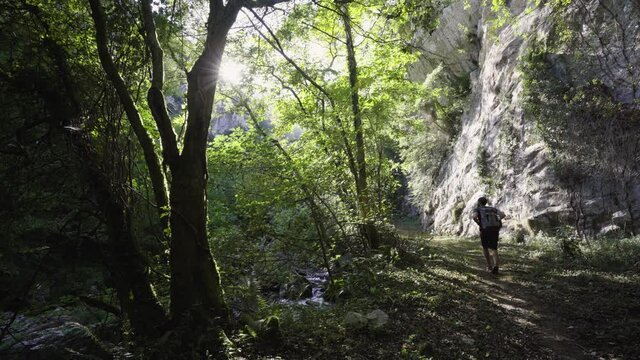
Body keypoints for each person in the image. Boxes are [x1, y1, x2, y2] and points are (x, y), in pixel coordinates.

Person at [471, 197, 506, 274]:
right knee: (494, 248)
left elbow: (474, 217)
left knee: (485, 247)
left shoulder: (478, 209)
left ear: (479, 202)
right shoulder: (493, 209)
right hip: (494, 229)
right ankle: (496, 266)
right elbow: (503, 215)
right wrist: (498, 220)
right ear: (486, 202)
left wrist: (478, 223)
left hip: (485, 230)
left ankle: (489, 266)